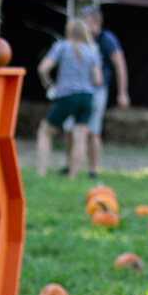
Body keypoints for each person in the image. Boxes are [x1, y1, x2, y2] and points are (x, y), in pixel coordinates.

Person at [61, 7, 130, 178]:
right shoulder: (76, 40)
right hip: (75, 91)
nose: (83, 24)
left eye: (86, 21)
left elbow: (119, 65)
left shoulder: (107, 40)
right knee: (69, 129)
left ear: (97, 22)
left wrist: (123, 92)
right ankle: (71, 166)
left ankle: (92, 170)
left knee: (93, 132)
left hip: (96, 91)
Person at [36, 18, 102, 179]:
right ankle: (72, 176)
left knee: (45, 132)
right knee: (80, 137)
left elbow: (43, 68)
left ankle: (41, 172)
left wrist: (47, 82)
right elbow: (98, 79)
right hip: (86, 97)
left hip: (67, 96)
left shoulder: (62, 47)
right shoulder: (92, 51)